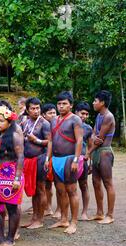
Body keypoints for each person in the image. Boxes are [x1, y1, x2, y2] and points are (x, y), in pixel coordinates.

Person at [0, 104, 24, 246]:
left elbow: (21, 157)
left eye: (1, 121)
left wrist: (17, 178)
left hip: (11, 174)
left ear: (9, 122)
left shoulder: (14, 135)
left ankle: (10, 238)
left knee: (12, 207)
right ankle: (0, 236)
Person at [48, 91, 84, 234]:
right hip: (56, 159)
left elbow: (79, 140)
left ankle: (74, 222)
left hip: (69, 159)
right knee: (60, 191)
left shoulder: (75, 119)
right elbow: (50, 140)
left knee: (71, 190)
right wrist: (47, 158)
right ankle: (63, 219)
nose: (61, 106)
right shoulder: (53, 120)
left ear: (71, 105)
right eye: (59, 104)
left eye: (64, 104)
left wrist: (76, 159)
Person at [20, 97, 51, 229]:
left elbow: (50, 142)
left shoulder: (44, 123)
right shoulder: (25, 122)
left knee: (41, 189)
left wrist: (36, 140)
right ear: (27, 110)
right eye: (32, 108)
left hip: (40, 159)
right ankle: (34, 218)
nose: (36, 111)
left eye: (38, 108)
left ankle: (40, 219)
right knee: (33, 190)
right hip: (28, 160)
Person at [87, 90, 116, 224]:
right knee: (95, 182)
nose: (93, 103)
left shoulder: (108, 117)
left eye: (95, 101)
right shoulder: (99, 116)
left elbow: (100, 139)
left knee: (107, 183)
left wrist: (88, 153)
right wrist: (94, 140)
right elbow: (94, 136)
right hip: (97, 152)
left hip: (104, 152)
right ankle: (99, 213)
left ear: (102, 102)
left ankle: (109, 215)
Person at [75, 102, 93, 221]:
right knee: (67, 187)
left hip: (82, 161)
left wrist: (89, 160)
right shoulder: (68, 124)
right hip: (69, 159)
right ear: (76, 112)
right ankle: (62, 212)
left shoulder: (88, 128)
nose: (84, 116)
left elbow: (91, 146)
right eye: (82, 113)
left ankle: (84, 212)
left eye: (86, 114)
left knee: (84, 185)